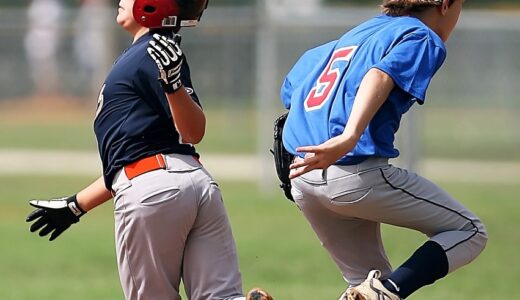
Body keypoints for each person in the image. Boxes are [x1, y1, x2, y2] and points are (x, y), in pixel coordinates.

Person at [25, 0, 273, 299]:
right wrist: (77, 204)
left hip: (153, 191)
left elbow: (192, 132)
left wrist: (173, 86)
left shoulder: (150, 54)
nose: (122, 0)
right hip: (197, 185)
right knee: (220, 296)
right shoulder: (151, 52)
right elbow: (141, 152)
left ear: (154, 4)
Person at [280, 0, 487, 299]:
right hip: (354, 174)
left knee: (362, 283)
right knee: (470, 231)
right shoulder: (420, 35)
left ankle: (376, 291)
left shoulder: (355, 35)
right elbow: (379, 75)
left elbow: (291, 88)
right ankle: (384, 292)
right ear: (445, 5)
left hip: (303, 176)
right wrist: (349, 136)